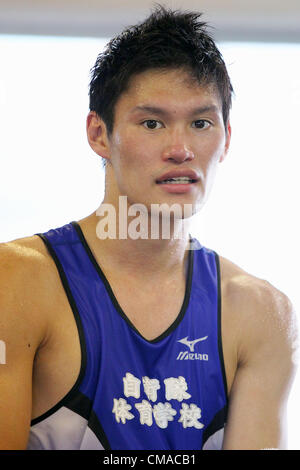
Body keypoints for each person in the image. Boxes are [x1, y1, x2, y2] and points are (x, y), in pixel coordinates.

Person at [0, 5, 298, 451]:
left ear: (227, 139)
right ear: (99, 134)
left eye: (200, 123)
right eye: (152, 123)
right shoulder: (17, 281)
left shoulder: (262, 315)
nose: (180, 150)